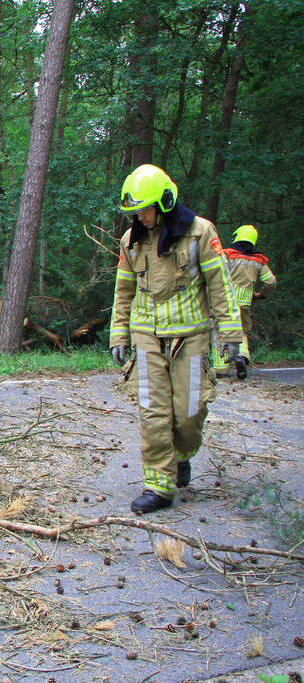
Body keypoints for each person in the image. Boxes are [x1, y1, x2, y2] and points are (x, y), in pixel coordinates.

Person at [108, 164, 242, 514]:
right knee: (153, 413)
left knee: (189, 413)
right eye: (135, 211)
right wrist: (119, 334)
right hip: (147, 336)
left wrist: (231, 334)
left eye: (145, 209)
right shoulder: (131, 241)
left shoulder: (200, 233)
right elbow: (123, 292)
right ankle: (159, 486)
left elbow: (221, 287)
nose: (141, 216)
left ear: (165, 202)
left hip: (191, 337)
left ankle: (181, 457)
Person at [212, 225, 276, 379]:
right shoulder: (259, 261)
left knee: (220, 331)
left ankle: (221, 369)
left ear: (237, 236)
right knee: (241, 331)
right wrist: (261, 295)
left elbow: (215, 273)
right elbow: (271, 282)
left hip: (224, 301)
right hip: (244, 303)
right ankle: (241, 356)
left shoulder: (227, 255)